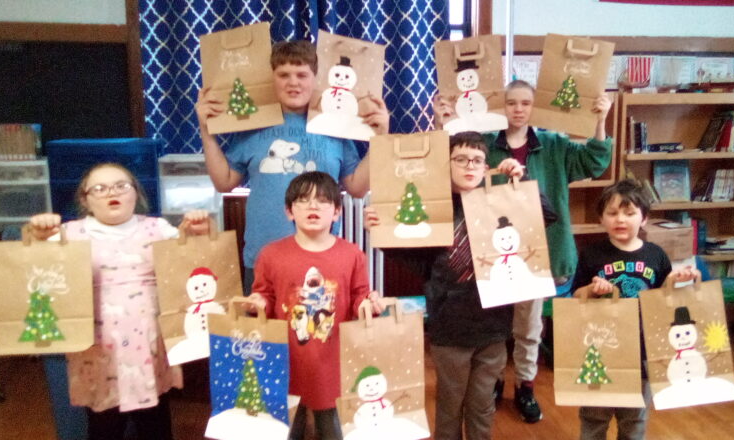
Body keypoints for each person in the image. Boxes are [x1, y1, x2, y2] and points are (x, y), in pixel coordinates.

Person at [435, 79, 614, 423]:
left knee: (529, 327)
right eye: (512, 102)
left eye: (525, 103)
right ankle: (496, 381)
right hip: (491, 253)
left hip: (538, 252)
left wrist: (600, 120)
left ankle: (526, 386)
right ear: (503, 106)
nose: (518, 109)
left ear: (534, 107)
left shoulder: (554, 145)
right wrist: (444, 123)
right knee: (497, 326)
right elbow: (452, 164)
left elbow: (594, 161)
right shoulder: (486, 144)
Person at [28, 163, 211, 440]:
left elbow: (198, 264)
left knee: (155, 421)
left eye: (121, 186)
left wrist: (199, 231)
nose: (111, 193)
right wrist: (36, 235)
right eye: (99, 189)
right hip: (96, 349)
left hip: (149, 346)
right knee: (104, 424)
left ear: (136, 194)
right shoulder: (68, 235)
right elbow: (30, 266)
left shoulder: (159, 229)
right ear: (85, 199)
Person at [365, 131, 526, 440]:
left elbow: (546, 215)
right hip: (449, 327)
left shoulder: (498, 201)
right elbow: (419, 263)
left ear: (485, 166)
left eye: (477, 159)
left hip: (493, 325)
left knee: (482, 406)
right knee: (450, 405)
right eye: (460, 158)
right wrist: (382, 230)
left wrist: (520, 179)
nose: (469, 165)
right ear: (446, 163)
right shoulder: (434, 207)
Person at [195, 40, 391, 294]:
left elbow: (357, 187)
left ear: (316, 78)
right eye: (284, 74)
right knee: (265, 333)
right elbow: (224, 181)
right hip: (263, 259)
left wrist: (381, 137)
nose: (293, 82)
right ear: (272, 78)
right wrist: (206, 130)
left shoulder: (334, 126)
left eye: (301, 74)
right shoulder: (253, 124)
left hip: (322, 259)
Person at [245, 171, 386, 440]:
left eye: (322, 201)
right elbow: (263, 295)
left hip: (333, 360)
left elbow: (359, 296)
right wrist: (258, 302)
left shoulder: (351, 254)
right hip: (285, 361)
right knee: (288, 430)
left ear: (336, 212)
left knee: (333, 428)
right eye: (303, 200)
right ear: (289, 211)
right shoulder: (271, 255)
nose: (313, 206)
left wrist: (368, 303)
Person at [570, 179, 699, 440]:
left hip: (642, 351)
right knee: (594, 418)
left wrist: (678, 280)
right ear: (601, 219)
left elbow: (663, 300)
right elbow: (576, 296)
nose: (621, 219)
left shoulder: (656, 255)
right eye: (613, 213)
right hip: (601, 350)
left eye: (629, 213)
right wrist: (593, 290)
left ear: (644, 219)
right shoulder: (591, 254)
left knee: (634, 420)